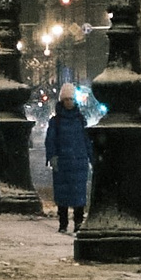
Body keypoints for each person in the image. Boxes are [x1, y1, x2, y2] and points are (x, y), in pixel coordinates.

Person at [45, 86, 92, 233]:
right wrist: (52, 157)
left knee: (78, 195)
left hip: (78, 161)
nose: (69, 102)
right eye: (66, 99)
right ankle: (63, 223)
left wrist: (91, 157)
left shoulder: (80, 119)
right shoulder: (56, 121)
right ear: (62, 100)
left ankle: (78, 221)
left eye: (71, 99)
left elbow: (87, 140)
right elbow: (50, 140)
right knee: (64, 195)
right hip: (64, 162)